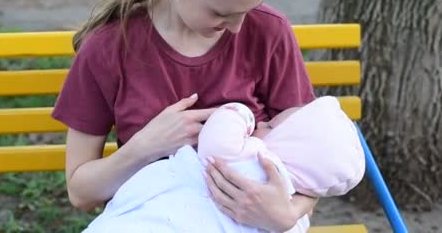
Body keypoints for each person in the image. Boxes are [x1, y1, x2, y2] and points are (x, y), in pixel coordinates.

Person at [52, 0, 319, 231]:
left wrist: (289, 213)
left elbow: (314, 153)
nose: (238, 28)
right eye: (222, 14)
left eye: (247, 11)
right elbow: (81, 191)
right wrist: (147, 146)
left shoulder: (269, 32)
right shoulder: (109, 49)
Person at [80, 96, 365, 233]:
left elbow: (217, 145)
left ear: (286, 144)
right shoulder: (292, 207)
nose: (261, 123)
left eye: (269, 124)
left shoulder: (255, 158)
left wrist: (240, 112)